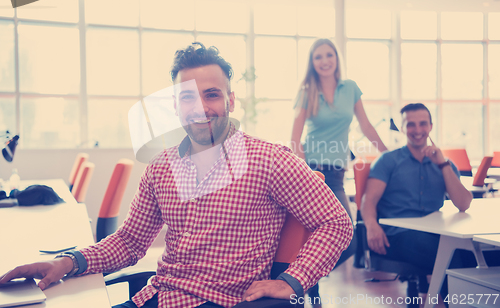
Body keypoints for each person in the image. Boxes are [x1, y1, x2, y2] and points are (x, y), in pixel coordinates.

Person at [0, 43, 353, 308]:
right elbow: (130, 243)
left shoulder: (270, 160)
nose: (199, 107)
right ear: (175, 106)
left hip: (219, 302)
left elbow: (336, 224)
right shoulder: (161, 168)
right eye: (187, 97)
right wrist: (66, 262)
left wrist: (293, 281)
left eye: (211, 95)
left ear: (231, 98)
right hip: (156, 297)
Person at [290, 38, 387, 305]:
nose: (324, 61)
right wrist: (302, 174)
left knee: (350, 240)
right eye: (318, 57)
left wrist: (389, 154)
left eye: (329, 55)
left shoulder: (350, 89)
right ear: (312, 62)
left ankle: (305, 279)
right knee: (308, 235)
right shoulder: (307, 91)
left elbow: (366, 126)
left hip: (336, 175)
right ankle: (308, 285)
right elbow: (295, 137)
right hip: (312, 173)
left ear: (336, 58)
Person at [360, 103, 473, 300]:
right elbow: (368, 201)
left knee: (476, 253)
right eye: (411, 124)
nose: (418, 130)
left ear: (431, 126)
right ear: (402, 128)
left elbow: (463, 203)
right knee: (450, 257)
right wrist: (371, 226)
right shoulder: (388, 160)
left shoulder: (444, 163)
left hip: (435, 233)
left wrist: (443, 164)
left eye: (423, 124)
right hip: (396, 235)